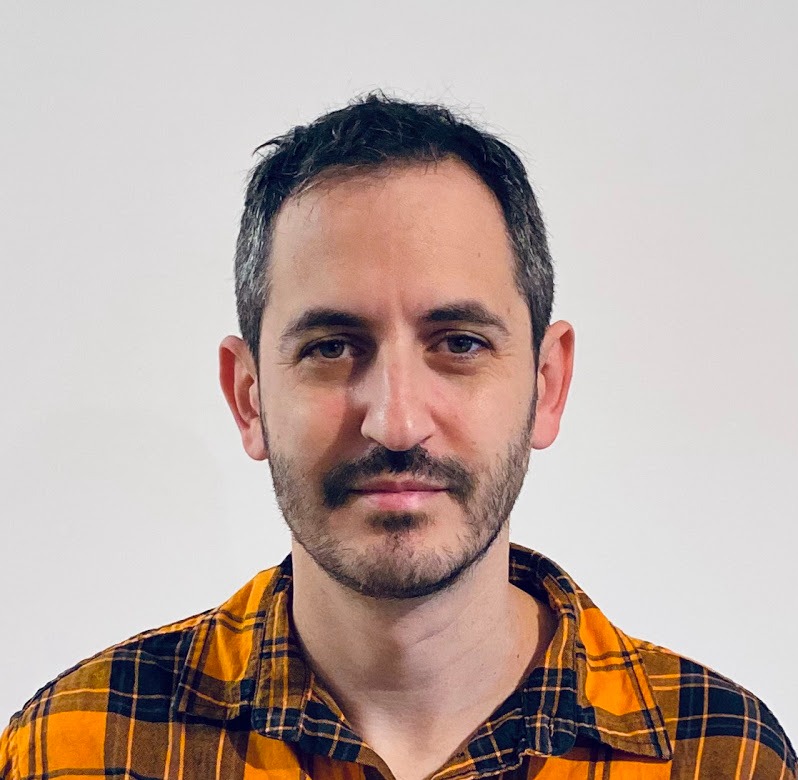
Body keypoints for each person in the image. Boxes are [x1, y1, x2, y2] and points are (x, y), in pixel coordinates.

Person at [1, 93, 794, 780]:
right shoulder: (73, 750)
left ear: (548, 385)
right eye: (331, 348)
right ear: (248, 398)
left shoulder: (724, 757)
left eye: (459, 343)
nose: (397, 421)